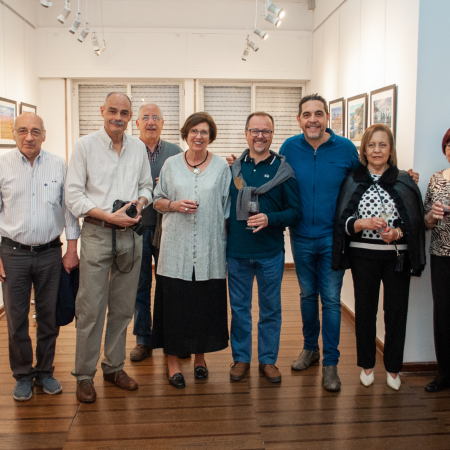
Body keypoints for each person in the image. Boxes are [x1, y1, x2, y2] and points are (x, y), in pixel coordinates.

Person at [277, 94, 418, 391]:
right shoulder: (289, 147)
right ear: (299, 119)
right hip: (301, 236)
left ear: (327, 117)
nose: (312, 119)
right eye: (306, 114)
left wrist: (405, 177)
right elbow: (276, 179)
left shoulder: (344, 148)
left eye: (318, 113)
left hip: (335, 237)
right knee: (307, 296)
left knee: (330, 300)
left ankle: (331, 364)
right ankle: (310, 349)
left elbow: (371, 176)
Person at [65, 92, 153, 403]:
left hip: (130, 236)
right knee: (90, 308)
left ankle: (114, 367)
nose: (118, 117)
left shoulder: (137, 148)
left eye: (124, 112)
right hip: (97, 233)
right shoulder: (84, 146)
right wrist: (108, 216)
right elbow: (73, 195)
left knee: (123, 306)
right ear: (102, 111)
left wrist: (139, 203)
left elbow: (146, 185)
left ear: (131, 117)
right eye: (112, 111)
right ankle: (84, 375)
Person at [332, 124, 425, 390]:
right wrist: (360, 224)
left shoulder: (405, 180)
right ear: (364, 150)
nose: (377, 150)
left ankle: (394, 369)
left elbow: (415, 221)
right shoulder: (352, 180)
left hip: (397, 258)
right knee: (365, 311)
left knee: (396, 312)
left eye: (383, 145)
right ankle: (367, 366)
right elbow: (342, 222)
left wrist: (397, 233)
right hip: (362, 257)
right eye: (371, 145)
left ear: (390, 149)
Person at [0, 112, 80, 401]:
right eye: (22, 130)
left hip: (49, 254)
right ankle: (23, 375)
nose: (29, 136)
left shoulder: (59, 165)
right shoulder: (2, 165)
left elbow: (69, 210)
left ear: (44, 135)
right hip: (13, 254)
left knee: (49, 317)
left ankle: (45, 371)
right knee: (16, 320)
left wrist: (72, 249)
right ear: (14, 134)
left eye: (35, 131)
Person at [152, 112, 231, 389]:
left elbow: (226, 209)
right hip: (176, 250)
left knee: (203, 307)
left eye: (204, 132)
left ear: (211, 136)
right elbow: (157, 200)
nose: (198, 136)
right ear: (185, 134)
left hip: (209, 250)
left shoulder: (221, 167)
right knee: (175, 308)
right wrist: (173, 205)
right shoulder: (171, 165)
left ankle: (200, 359)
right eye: (194, 131)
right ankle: (173, 363)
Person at [227, 112, 301, 383]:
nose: (260, 136)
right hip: (237, 252)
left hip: (270, 254)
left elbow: (295, 212)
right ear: (246, 134)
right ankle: (241, 359)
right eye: (255, 131)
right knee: (239, 309)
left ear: (272, 135)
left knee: (270, 310)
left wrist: (271, 219)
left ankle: (268, 360)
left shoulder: (284, 172)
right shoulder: (233, 169)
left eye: (265, 131)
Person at [130, 103, 182, 362]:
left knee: (169, 285)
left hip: (167, 229)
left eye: (155, 118)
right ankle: (143, 339)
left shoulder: (176, 152)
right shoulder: (128, 150)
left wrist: (170, 186)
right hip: (136, 229)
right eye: (145, 117)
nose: (150, 122)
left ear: (163, 123)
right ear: (137, 123)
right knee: (140, 286)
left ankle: (172, 338)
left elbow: (187, 185)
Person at [423, 128, 450, 393]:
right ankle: (444, 373)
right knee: (442, 314)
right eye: (449, 145)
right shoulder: (436, 179)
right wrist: (432, 215)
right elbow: (425, 222)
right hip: (441, 254)